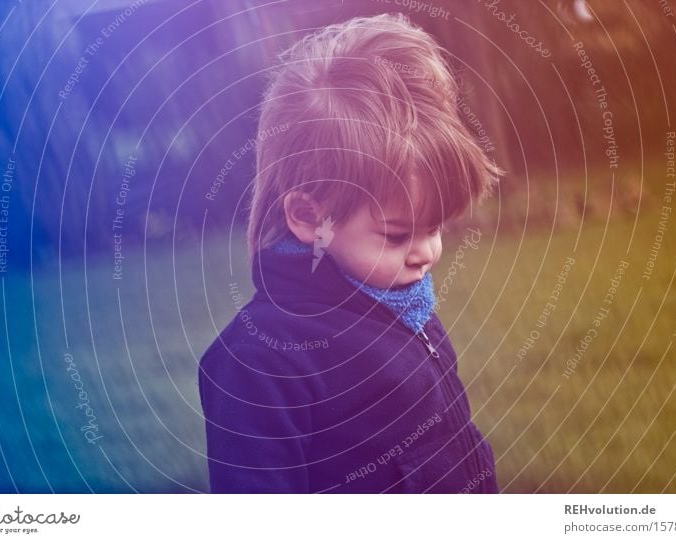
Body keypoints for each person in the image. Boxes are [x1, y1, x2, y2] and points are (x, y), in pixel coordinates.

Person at [198, 12, 501, 493]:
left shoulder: (406, 308)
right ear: (308, 216)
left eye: (437, 227)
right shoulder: (261, 363)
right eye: (397, 235)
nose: (427, 254)